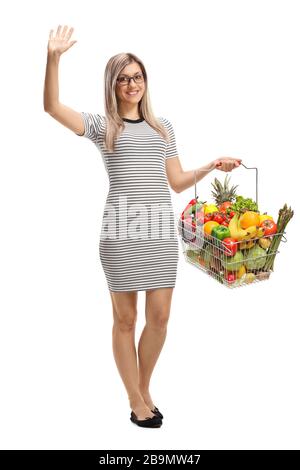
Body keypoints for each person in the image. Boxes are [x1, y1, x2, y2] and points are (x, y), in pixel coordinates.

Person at [43, 25, 242, 428]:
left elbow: (176, 181)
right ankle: (136, 400)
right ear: (112, 85)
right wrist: (53, 58)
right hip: (121, 233)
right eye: (122, 77)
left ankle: (142, 389)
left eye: (136, 76)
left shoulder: (162, 127)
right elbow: (51, 107)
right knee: (125, 321)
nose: (131, 83)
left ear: (145, 81)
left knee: (161, 318)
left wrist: (209, 166)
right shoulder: (103, 127)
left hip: (158, 234)